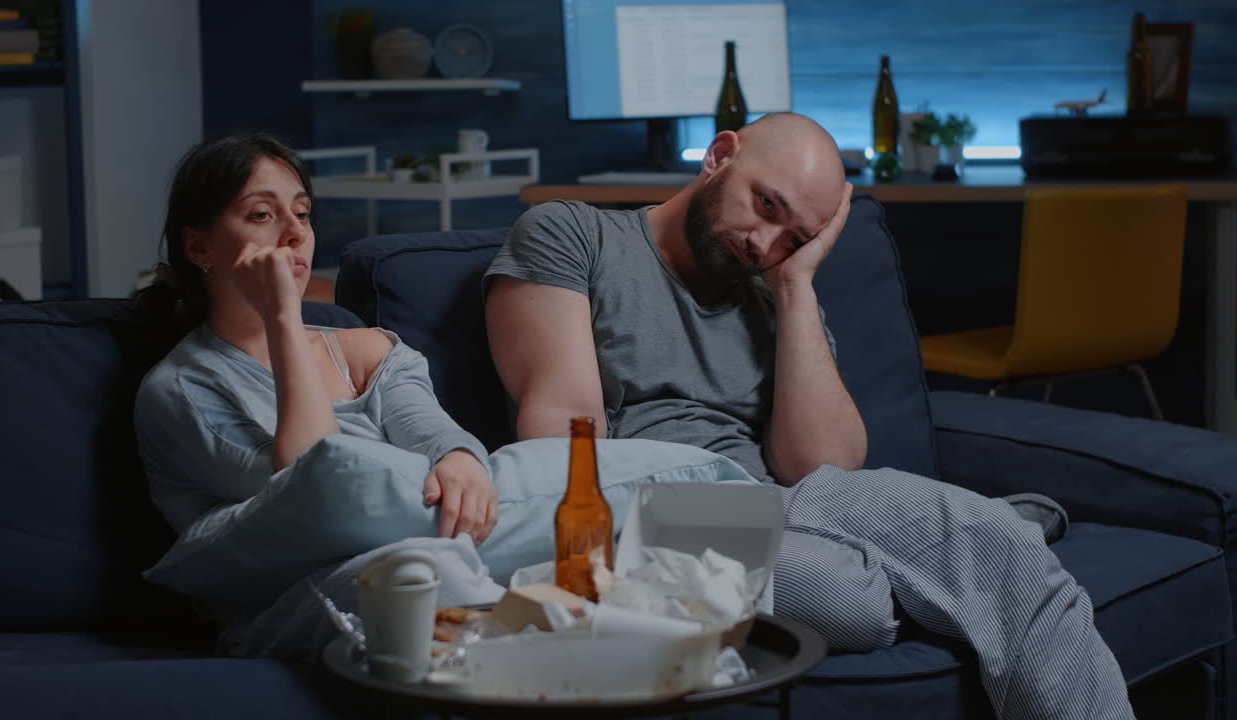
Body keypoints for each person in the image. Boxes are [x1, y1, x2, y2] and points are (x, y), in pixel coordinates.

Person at [482, 112, 1134, 719]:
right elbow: (565, 442)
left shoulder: (775, 293)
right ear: (719, 155)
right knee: (845, 598)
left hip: (780, 504)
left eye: (793, 237)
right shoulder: (572, 233)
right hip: (642, 512)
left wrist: (796, 288)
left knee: (989, 550)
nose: (762, 243)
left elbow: (822, 467)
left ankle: (980, 538)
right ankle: (964, 540)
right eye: (765, 205)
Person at [132, 132, 502, 656]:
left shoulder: (368, 349)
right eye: (262, 215)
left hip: (425, 553)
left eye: (302, 214)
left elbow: (429, 428)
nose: (293, 234)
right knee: (426, 572)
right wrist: (282, 318)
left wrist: (460, 457)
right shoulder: (181, 389)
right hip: (287, 597)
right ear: (199, 247)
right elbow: (314, 484)